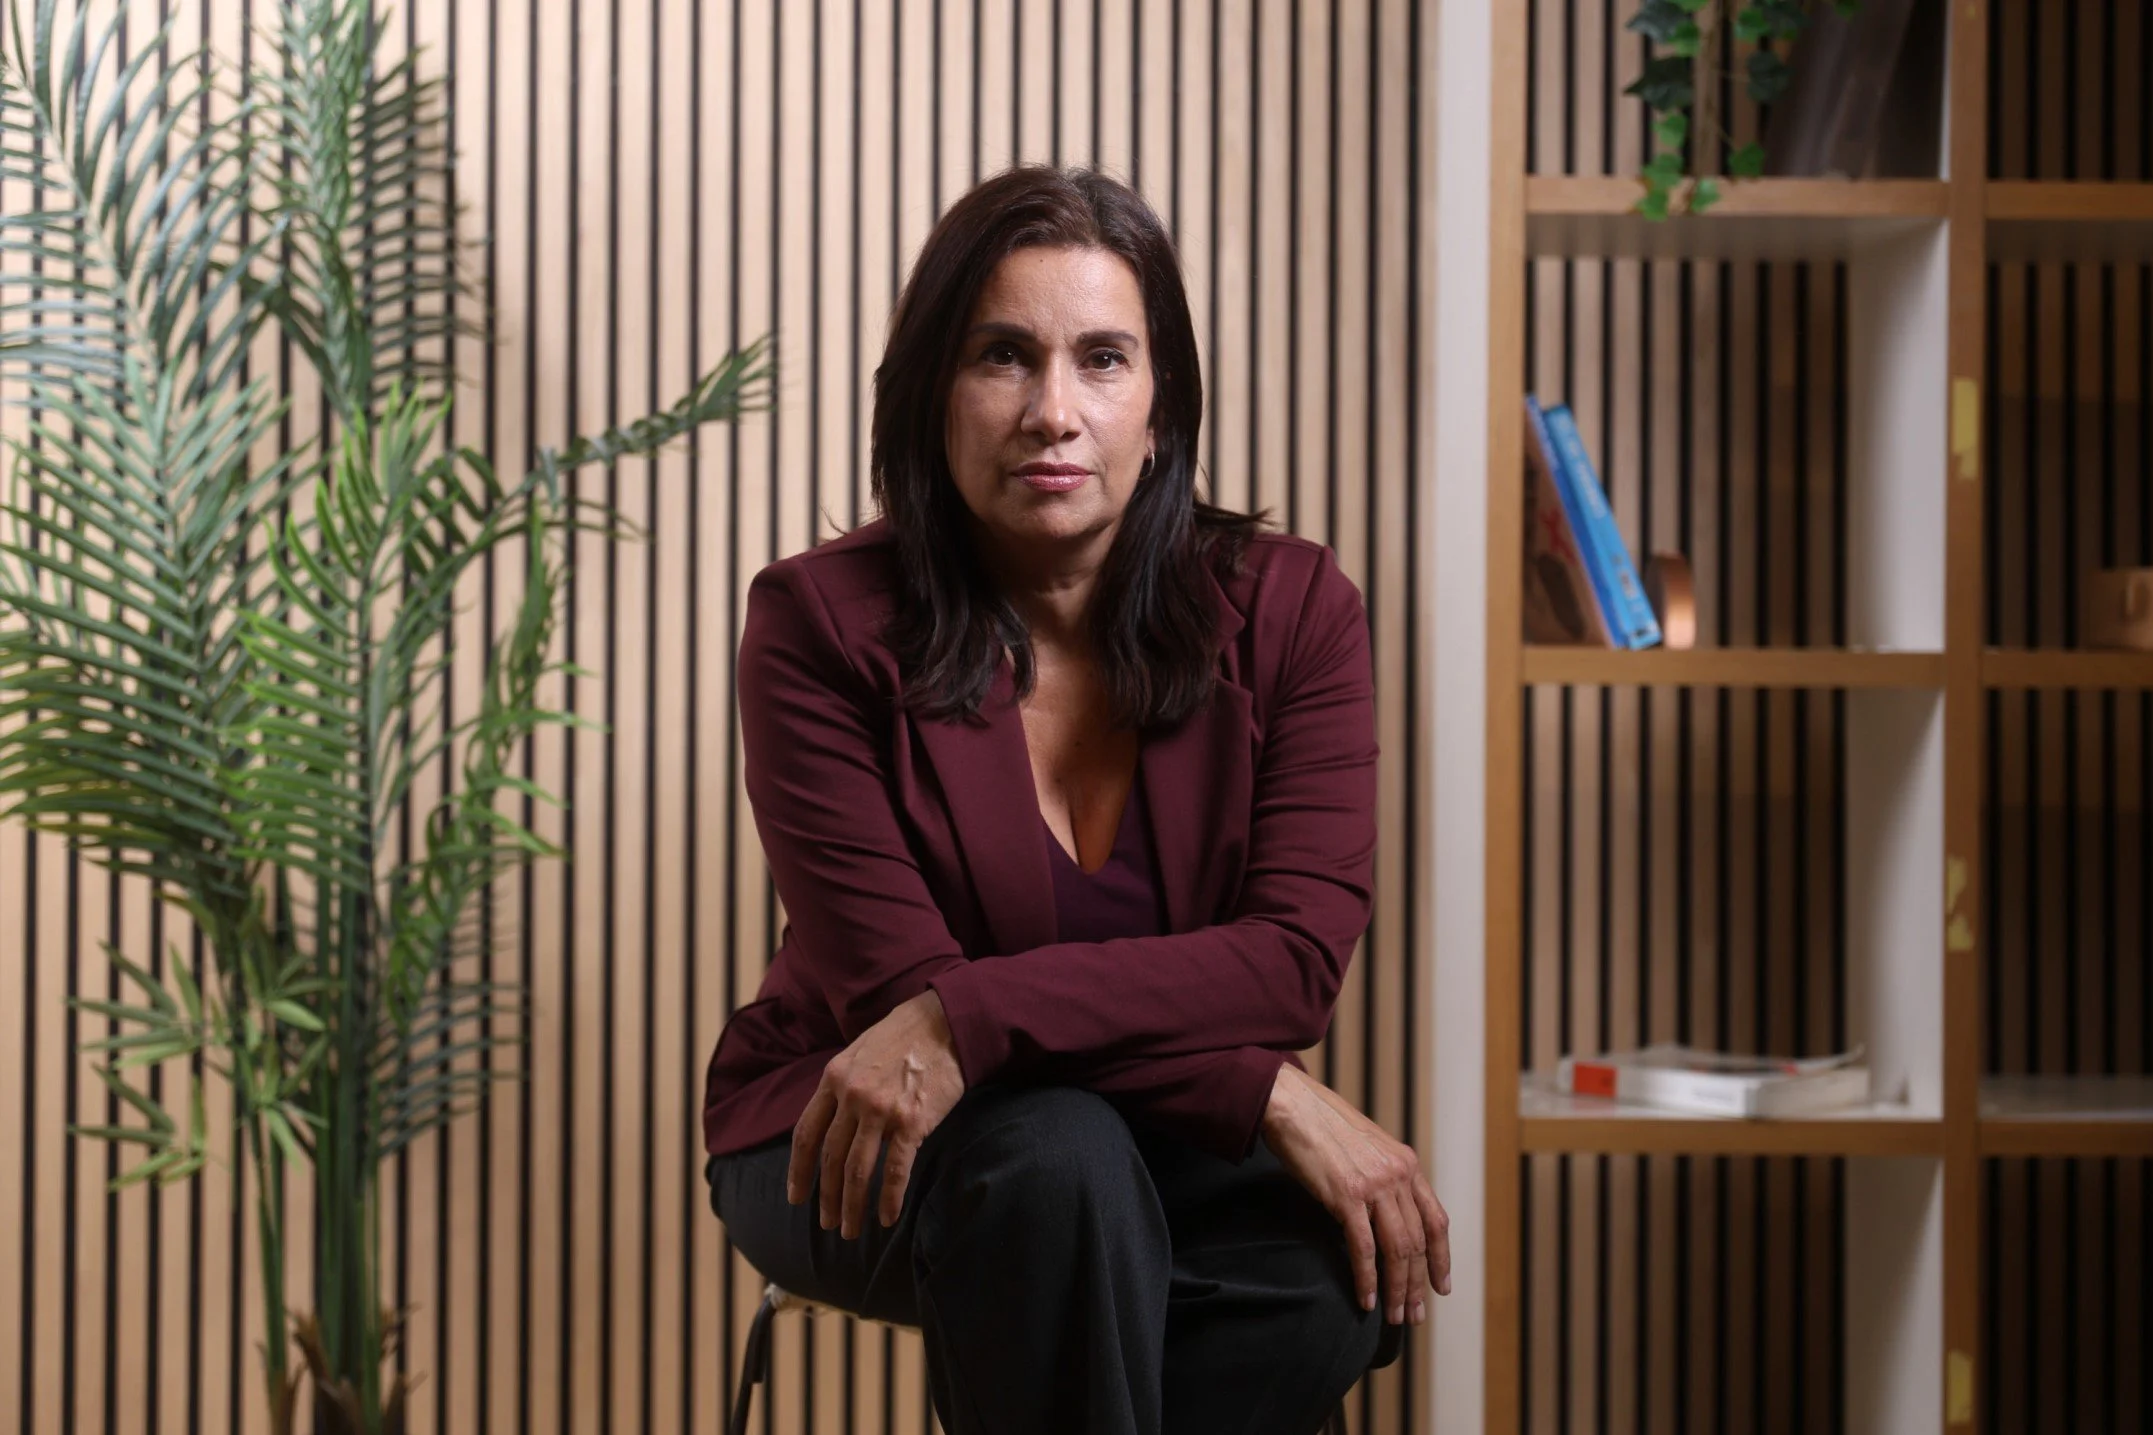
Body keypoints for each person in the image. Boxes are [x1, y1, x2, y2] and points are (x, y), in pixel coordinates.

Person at [700, 164, 1449, 1435]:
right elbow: (898, 995)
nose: (1053, 410)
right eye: (1003, 355)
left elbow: (1287, 966)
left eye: (1101, 359)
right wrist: (1264, 1092)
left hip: (1130, 1148)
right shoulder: (817, 624)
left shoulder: (1292, 610)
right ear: (932, 394)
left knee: (1324, 1276)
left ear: (1160, 406)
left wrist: (962, 1017)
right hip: (852, 1123)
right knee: (1058, 1170)